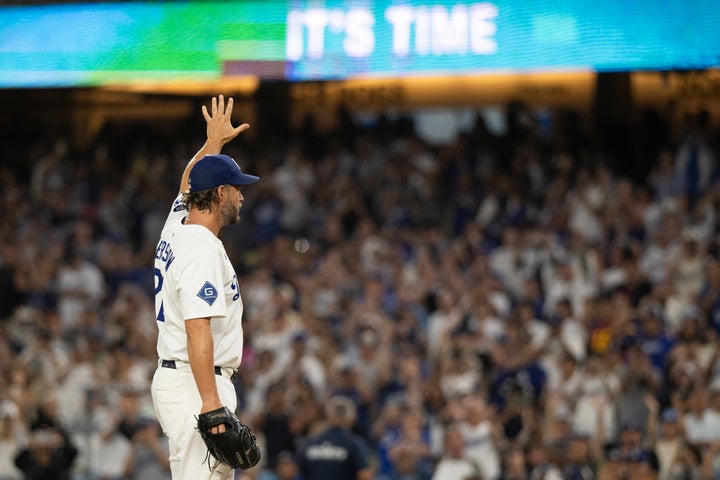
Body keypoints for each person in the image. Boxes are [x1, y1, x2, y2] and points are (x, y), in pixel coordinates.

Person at [150, 95, 259, 479]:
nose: (241, 194)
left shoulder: (178, 225)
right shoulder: (200, 248)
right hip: (196, 384)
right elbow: (198, 328)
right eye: (236, 187)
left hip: (181, 378)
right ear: (218, 194)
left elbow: (186, 185)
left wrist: (213, 146)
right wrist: (211, 405)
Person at [297, 395, 371, 480]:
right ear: (352, 418)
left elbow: (300, 474)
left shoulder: (310, 444)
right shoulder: (355, 444)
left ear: (328, 416)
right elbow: (364, 476)